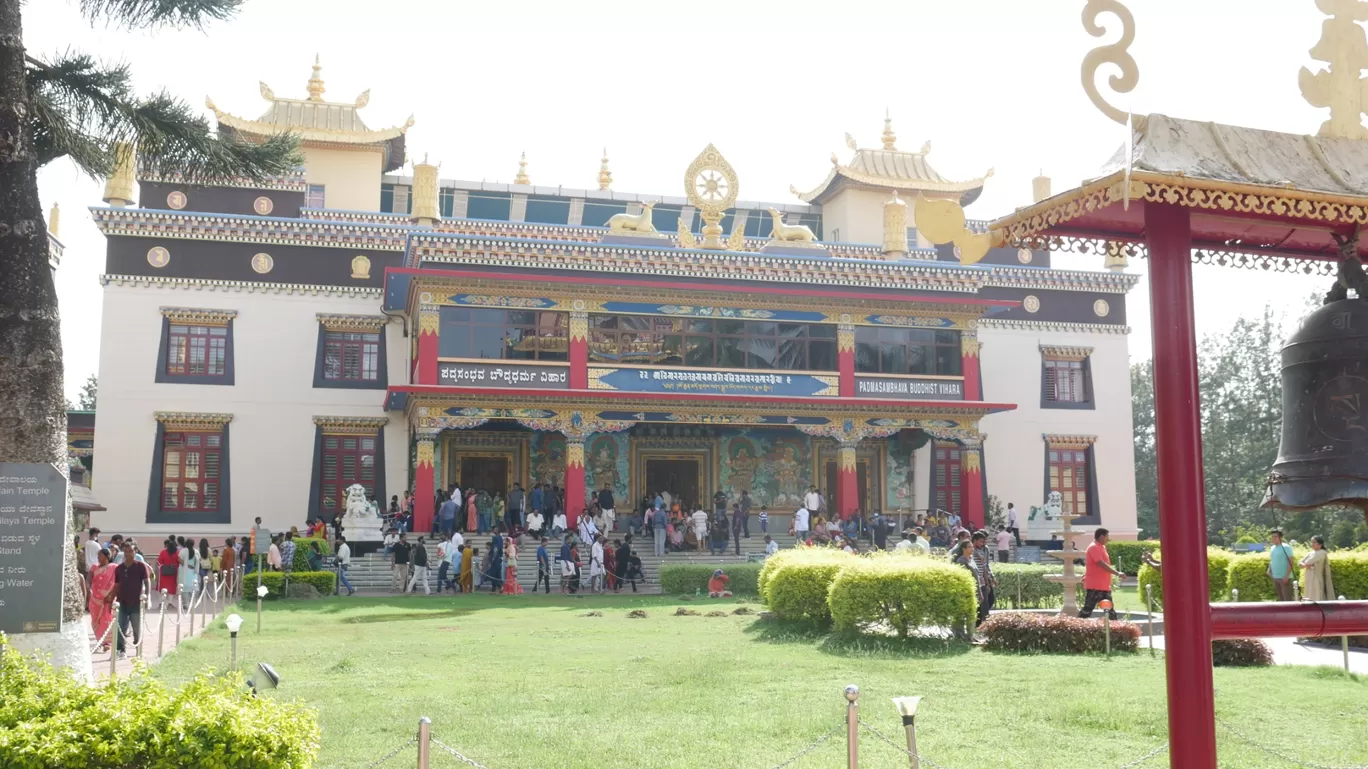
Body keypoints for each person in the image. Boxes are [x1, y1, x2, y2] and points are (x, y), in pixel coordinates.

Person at [113, 542, 149, 658]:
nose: (128, 554)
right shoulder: (119, 568)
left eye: (130, 551)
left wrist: (147, 597)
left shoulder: (140, 566)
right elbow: (117, 585)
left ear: (135, 552)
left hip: (136, 602)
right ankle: (121, 650)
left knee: (137, 628)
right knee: (120, 628)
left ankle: (139, 648)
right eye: (126, 551)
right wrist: (111, 599)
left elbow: (147, 581)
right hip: (122, 602)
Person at [1080, 527, 1123, 620]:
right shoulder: (1093, 547)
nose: (1108, 538)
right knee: (1087, 609)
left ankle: (1115, 630)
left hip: (1103, 586)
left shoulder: (1101, 547)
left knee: (1110, 610)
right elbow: (1101, 564)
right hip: (1095, 586)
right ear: (1101, 536)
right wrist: (1117, 573)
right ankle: (1074, 629)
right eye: (1107, 536)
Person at [88, 548, 118, 652]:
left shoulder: (114, 567)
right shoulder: (94, 567)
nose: (98, 558)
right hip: (94, 598)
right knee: (95, 619)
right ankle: (99, 641)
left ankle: (107, 642)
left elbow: (117, 582)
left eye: (100, 556)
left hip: (108, 598)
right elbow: (89, 579)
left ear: (107, 557)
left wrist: (110, 595)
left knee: (106, 618)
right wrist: (88, 588)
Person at [970, 531, 997, 626]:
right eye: (981, 541)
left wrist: (987, 582)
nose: (983, 543)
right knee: (976, 605)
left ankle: (985, 626)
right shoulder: (969, 551)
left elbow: (985, 566)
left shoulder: (983, 550)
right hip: (973, 581)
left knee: (985, 605)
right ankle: (976, 625)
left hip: (982, 582)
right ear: (975, 540)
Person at [1300, 535, 1335, 602]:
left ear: (1320, 544)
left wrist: (1305, 564)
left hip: (1316, 578)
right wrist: (1305, 565)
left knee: (1316, 596)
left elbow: (1308, 561)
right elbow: (1300, 563)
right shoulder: (1310, 553)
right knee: (1308, 595)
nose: (1312, 544)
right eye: (1312, 542)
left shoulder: (1322, 553)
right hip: (1308, 577)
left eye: (1314, 542)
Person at [1267, 529, 1297, 601]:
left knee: (1287, 599)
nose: (1273, 538)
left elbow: (1291, 561)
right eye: (1272, 537)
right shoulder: (1272, 548)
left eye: (1275, 537)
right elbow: (1272, 560)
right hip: (1275, 577)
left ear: (1280, 538)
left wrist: (1287, 575)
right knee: (1280, 599)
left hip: (1285, 578)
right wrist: (1269, 570)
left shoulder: (1286, 547)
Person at [488, 528, 505, 593]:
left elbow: (495, 549)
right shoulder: (501, 538)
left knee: (493, 574)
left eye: (495, 529)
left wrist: (492, 559)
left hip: (495, 559)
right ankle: (494, 588)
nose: (493, 530)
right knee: (497, 574)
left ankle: (499, 586)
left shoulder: (495, 538)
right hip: (499, 558)